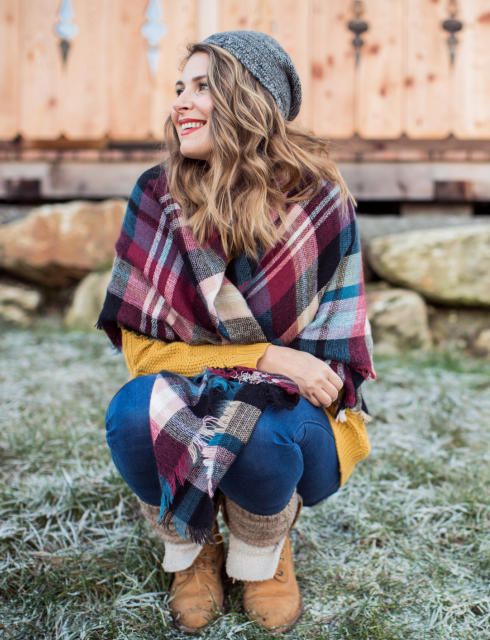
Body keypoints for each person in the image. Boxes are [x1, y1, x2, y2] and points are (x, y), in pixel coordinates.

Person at [99, 30, 374, 634]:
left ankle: (265, 552)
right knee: (132, 413)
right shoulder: (157, 195)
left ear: (249, 99)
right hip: (196, 399)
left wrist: (269, 373)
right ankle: (195, 551)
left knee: (260, 429)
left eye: (203, 88)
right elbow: (145, 356)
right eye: (179, 88)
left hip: (292, 421)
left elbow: (326, 375)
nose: (180, 103)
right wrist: (270, 356)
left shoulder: (322, 203)